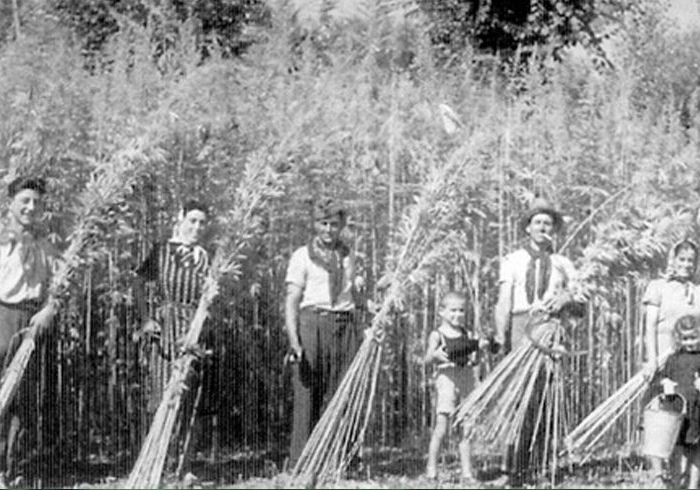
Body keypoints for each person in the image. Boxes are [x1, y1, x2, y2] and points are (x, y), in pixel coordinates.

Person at [493, 197, 585, 485]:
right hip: (522, 328)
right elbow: (504, 302)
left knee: (544, 398)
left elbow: (581, 303)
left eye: (548, 223)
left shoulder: (563, 264)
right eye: (538, 222)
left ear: (554, 229)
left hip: (550, 329)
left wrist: (567, 297)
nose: (543, 227)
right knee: (517, 399)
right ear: (528, 228)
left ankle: (539, 466)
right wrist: (501, 336)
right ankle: (511, 469)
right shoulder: (512, 260)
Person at [134, 199, 214, 472]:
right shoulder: (162, 251)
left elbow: (213, 296)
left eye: (202, 223)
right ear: (180, 219)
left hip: (195, 330)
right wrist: (146, 318)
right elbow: (138, 281)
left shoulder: (208, 257)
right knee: (162, 395)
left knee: (192, 397)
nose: (196, 227)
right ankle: (157, 461)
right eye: (192, 220)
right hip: (166, 331)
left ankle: (185, 466)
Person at [284, 198, 360, 467]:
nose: (329, 230)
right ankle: (302, 462)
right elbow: (292, 301)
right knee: (307, 392)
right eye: (324, 223)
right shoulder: (302, 256)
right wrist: (295, 341)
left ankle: (340, 460)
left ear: (342, 226)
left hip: (344, 325)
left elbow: (355, 294)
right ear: (316, 225)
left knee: (343, 390)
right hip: (312, 324)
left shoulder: (349, 256)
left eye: (334, 225)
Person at [0, 176, 60, 487]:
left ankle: (10, 470)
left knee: (21, 397)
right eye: (25, 200)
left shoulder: (46, 245)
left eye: (36, 202)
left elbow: (57, 288)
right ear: (10, 203)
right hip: (2, 316)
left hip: (32, 321)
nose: (31, 207)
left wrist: (48, 310)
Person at [643, 239, 700, 485]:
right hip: (665, 360)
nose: (686, 265)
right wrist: (651, 359)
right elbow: (649, 326)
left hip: (691, 361)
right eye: (682, 259)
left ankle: (685, 476)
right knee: (659, 415)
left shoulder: (698, 289)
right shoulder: (659, 287)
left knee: (689, 419)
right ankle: (658, 475)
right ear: (673, 260)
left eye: (691, 260)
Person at [425, 291, 487, 482]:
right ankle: (431, 468)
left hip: (466, 378)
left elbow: (474, 361)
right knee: (442, 426)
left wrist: (480, 350)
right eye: (453, 310)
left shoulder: (467, 334)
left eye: (461, 311)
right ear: (442, 312)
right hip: (447, 379)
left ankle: (467, 472)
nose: (457, 315)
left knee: (466, 427)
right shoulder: (438, 335)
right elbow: (427, 359)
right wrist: (435, 356)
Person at [648, 314, 700, 489]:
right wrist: (665, 382)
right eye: (685, 338)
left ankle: (693, 485)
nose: (689, 342)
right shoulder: (673, 359)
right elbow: (661, 377)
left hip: (697, 411)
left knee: (695, 451)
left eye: (693, 337)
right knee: (675, 450)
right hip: (677, 412)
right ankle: (676, 483)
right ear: (679, 339)